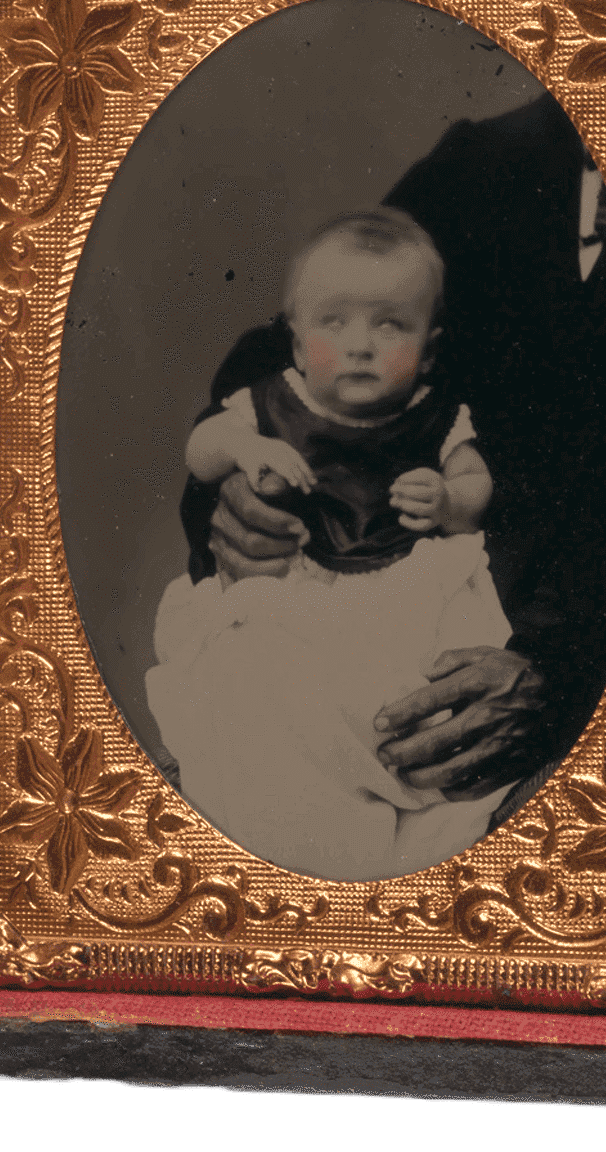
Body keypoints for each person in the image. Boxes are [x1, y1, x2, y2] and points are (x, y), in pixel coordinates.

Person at [179, 93, 606, 826]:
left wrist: (573, 681)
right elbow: (297, 347)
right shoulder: (495, 162)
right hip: (376, 620)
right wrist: (235, 489)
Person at [147, 211, 514, 879]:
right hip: (305, 578)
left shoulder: (436, 414)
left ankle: (378, 807)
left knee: (406, 686)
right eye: (334, 324)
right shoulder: (271, 402)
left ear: (429, 351)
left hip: (404, 585)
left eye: (389, 325)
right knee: (271, 676)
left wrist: (449, 497)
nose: (360, 346)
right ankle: (306, 825)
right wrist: (246, 447)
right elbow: (202, 453)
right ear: (294, 342)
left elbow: (475, 483)